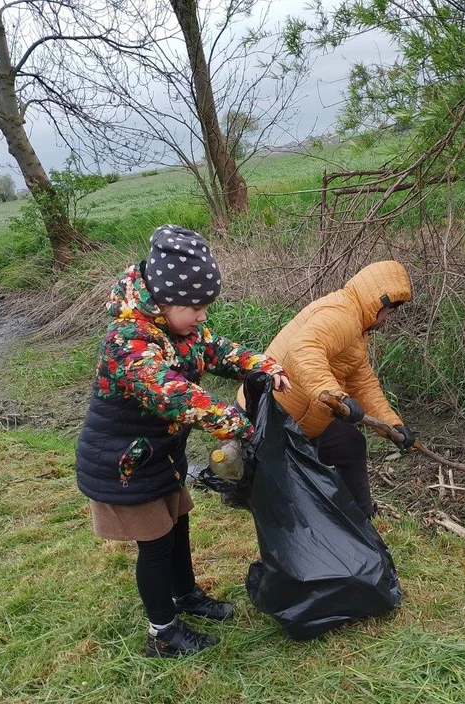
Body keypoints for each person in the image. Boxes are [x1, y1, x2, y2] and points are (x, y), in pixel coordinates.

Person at [74, 225, 291, 658]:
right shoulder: (128, 344)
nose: (203, 317)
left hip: (158, 456)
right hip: (123, 464)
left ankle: (185, 593)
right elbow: (177, 397)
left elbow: (218, 351)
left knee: (178, 524)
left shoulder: (180, 331)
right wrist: (241, 425)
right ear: (164, 299)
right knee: (154, 544)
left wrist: (261, 365)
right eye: (196, 307)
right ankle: (163, 632)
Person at [238, 260, 414, 518]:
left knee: (350, 444)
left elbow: (363, 383)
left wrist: (392, 426)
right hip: (270, 414)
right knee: (280, 491)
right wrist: (333, 394)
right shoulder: (340, 315)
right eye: (388, 310)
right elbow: (304, 350)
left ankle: (361, 517)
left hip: (305, 416)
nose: (387, 317)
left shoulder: (356, 329)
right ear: (378, 301)